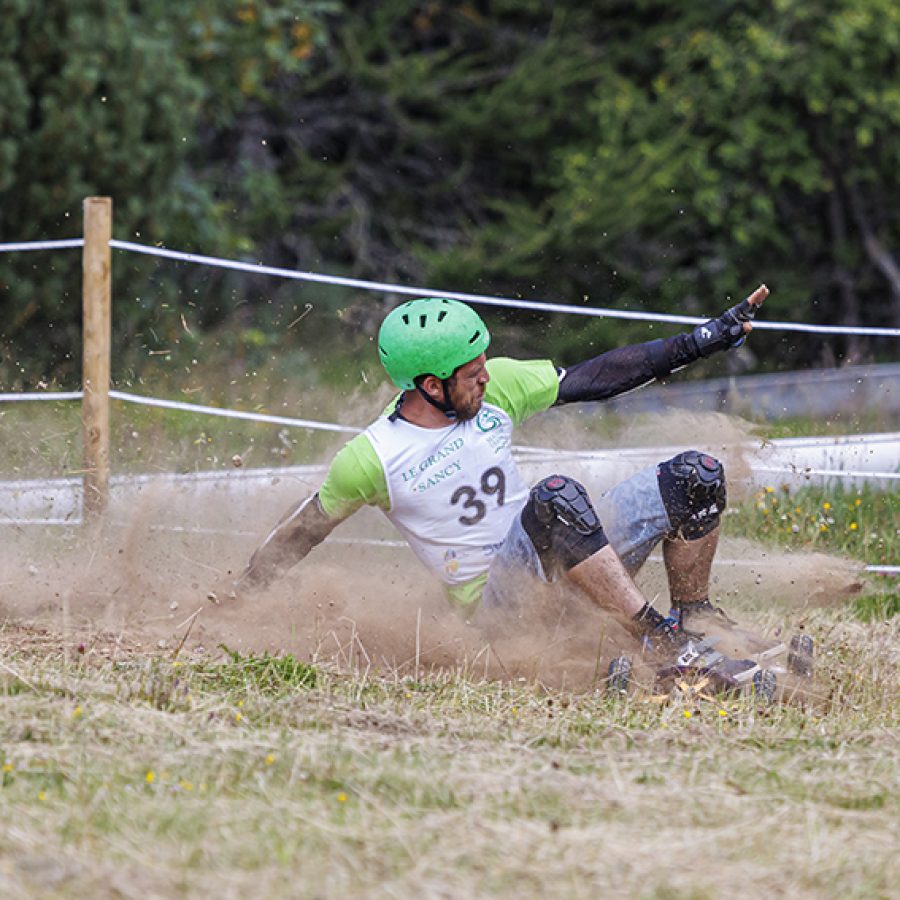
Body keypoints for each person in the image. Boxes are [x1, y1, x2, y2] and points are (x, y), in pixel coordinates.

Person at [226, 285, 780, 667]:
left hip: (563, 560)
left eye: (486, 365)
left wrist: (699, 341)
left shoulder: (494, 392)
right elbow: (301, 531)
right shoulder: (372, 457)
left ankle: (696, 617)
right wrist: (240, 600)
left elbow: (598, 377)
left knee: (696, 475)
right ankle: (660, 641)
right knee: (555, 498)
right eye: (473, 374)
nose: (488, 379)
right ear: (430, 386)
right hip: (502, 610)